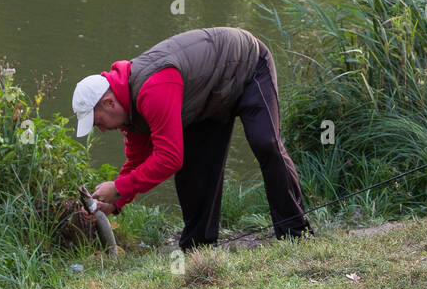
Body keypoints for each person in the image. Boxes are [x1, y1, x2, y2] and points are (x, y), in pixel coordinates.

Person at [71, 26, 312, 248]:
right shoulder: (129, 109)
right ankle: (199, 248)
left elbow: (168, 158)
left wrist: (120, 187)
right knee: (195, 168)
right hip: (207, 98)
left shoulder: (153, 89)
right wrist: (116, 201)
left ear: (109, 102)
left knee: (265, 143)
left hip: (247, 65)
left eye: (98, 122)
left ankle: (296, 234)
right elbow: (138, 160)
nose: (101, 129)